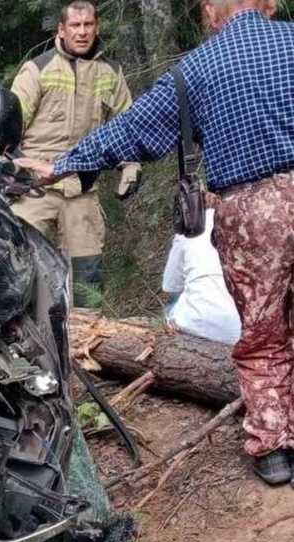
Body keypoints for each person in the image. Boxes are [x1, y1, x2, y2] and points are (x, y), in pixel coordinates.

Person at [15, 0, 294, 485]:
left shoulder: (194, 71)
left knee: (263, 332)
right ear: (268, 4)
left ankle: (274, 450)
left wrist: (62, 163)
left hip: (250, 213)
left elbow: (132, 130)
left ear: (209, 12)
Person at [9, 0, 142, 307]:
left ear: (96, 27)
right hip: (34, 190)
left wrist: (130, 166)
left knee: (87, 278)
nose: (82, 32)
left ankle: (84, 343)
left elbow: (127, 127)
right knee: (16, 264)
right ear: (62, 29)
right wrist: (11, 169)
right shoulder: (38, 70)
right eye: (75, 25)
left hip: (82, 189)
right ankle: (13, 344)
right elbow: (9, 127)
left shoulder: (110, 73)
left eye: (88, 25)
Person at [161, 208, 241, 345]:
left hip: (194, 327)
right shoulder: (255, 219)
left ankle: (173, 338)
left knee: (173, 300)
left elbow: (170, 285)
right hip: (243, 330)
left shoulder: (191, 225)